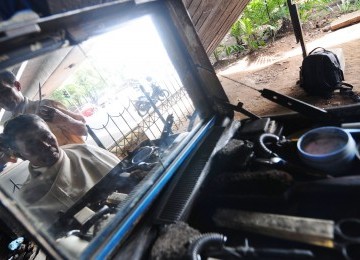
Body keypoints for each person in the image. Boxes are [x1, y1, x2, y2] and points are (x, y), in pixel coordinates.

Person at [2, 114, 123, 223]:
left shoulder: (87, 153)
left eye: (46, 135)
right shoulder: (28, 199)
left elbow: (128, 178)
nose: (45, 145)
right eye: (31, 143)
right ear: (19, 154)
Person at [0, 70, 87, 146]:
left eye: (4, 92)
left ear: (17, 86)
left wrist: (63, 119)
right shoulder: (11, 128)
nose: (2, 100)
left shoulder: (47, 106)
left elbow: (84, 130)